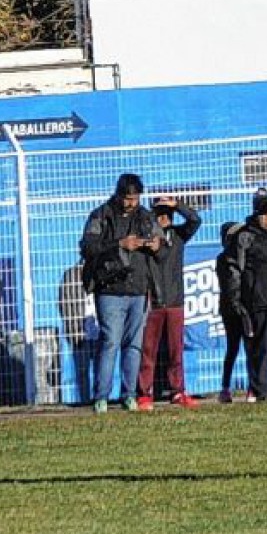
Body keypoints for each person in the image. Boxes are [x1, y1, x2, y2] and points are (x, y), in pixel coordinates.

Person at [79, 173, 161, 412]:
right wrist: (119, 244)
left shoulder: (145, 216)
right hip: (110, 289)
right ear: (118, 195)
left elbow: (160, 241)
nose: (131, 203)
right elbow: (88, 247)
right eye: (127, 198)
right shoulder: (101, 215)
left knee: (134, 344)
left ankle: (129, 394)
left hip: (138, 288)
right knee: (110, 341)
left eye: (135, 199)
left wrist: (156, 244)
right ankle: (101, 397)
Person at [137, 196, 203, 410]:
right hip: (153, 303)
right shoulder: (145, 239)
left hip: (175, 302)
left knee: (176, 350)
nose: (164, 217)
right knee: (148, 350)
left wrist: (177, 205)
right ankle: (144, 393)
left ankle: (178, 391)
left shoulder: (178, 235)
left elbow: (195, 220)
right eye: (160, 214)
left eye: (168, 214)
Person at [232, 193, 267, 403]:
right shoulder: (247, 237)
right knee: (261, 349)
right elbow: (236, 269)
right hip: (260, 301)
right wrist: (239, 298)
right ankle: (263, 389)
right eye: (264, 213)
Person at [214, 212, 252, 403]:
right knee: (234, 347)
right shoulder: (225, 259)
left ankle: (252, 387)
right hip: (232, 308)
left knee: (250, 347)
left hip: (243, 305)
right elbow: (231, 285)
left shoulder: (243, 256)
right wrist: (238, 305)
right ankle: (226, 388)